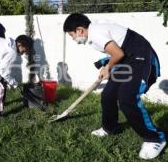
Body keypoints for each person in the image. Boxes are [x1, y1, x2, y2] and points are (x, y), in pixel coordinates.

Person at [63, 13, 166, 160]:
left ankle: (155, 138)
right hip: (127, 59)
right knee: (108, 95)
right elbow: (117, 52)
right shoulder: (93, 35)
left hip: (140, 57)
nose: (73, 39)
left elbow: (117, 53)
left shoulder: (95, 32)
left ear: (80, 30)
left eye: (72, 35)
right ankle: (110, 127)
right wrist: (107, 66)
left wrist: (109, 67)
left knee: (127, 98)